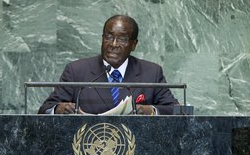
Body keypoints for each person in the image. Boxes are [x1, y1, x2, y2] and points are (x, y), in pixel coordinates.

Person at [38, 15, 179, 115]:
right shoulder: (76, 70)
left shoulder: (151, 72)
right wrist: (59, 109)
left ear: (134, 44)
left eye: (122, 39)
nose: (113, 44)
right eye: (109, 37)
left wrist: (152, 111)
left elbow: (177, 110)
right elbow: (45, 110)